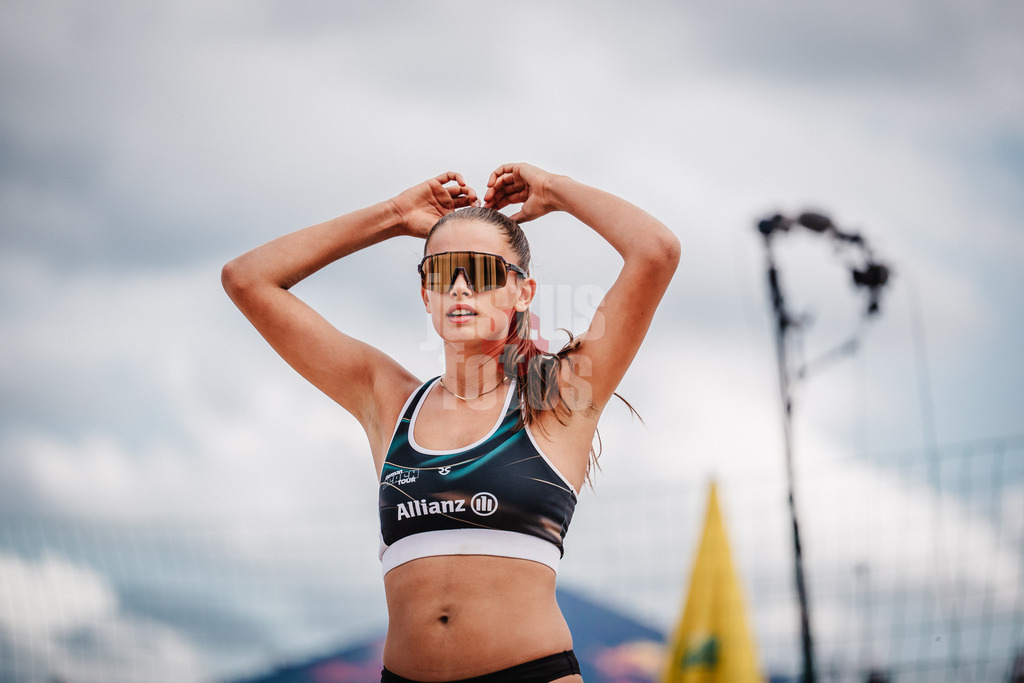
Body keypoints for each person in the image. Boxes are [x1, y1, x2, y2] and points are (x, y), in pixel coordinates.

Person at [222, 163, 680, 683]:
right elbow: (247, 279)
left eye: (483, 272)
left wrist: (555, 191)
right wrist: (392, 216)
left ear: (522, 293)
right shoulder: (389, 401)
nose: (461, 288)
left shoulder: (560, 398)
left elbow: (656, 250)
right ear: (426, 296)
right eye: (442, 273)